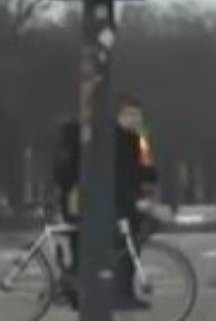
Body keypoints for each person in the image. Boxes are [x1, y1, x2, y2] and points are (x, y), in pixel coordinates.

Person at [51, 94, 157, 309]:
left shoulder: (137, 138)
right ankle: (100, 294)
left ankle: (103, 292)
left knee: (126, 243)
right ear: (118, 115)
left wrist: (146, 185)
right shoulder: (111, 138)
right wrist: (133, 201)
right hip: (85, 199)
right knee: (102, 244)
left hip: (118, 200)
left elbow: (146, 171)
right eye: (129, 114)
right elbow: (115, 177)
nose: (135, 119)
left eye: (138, 115)